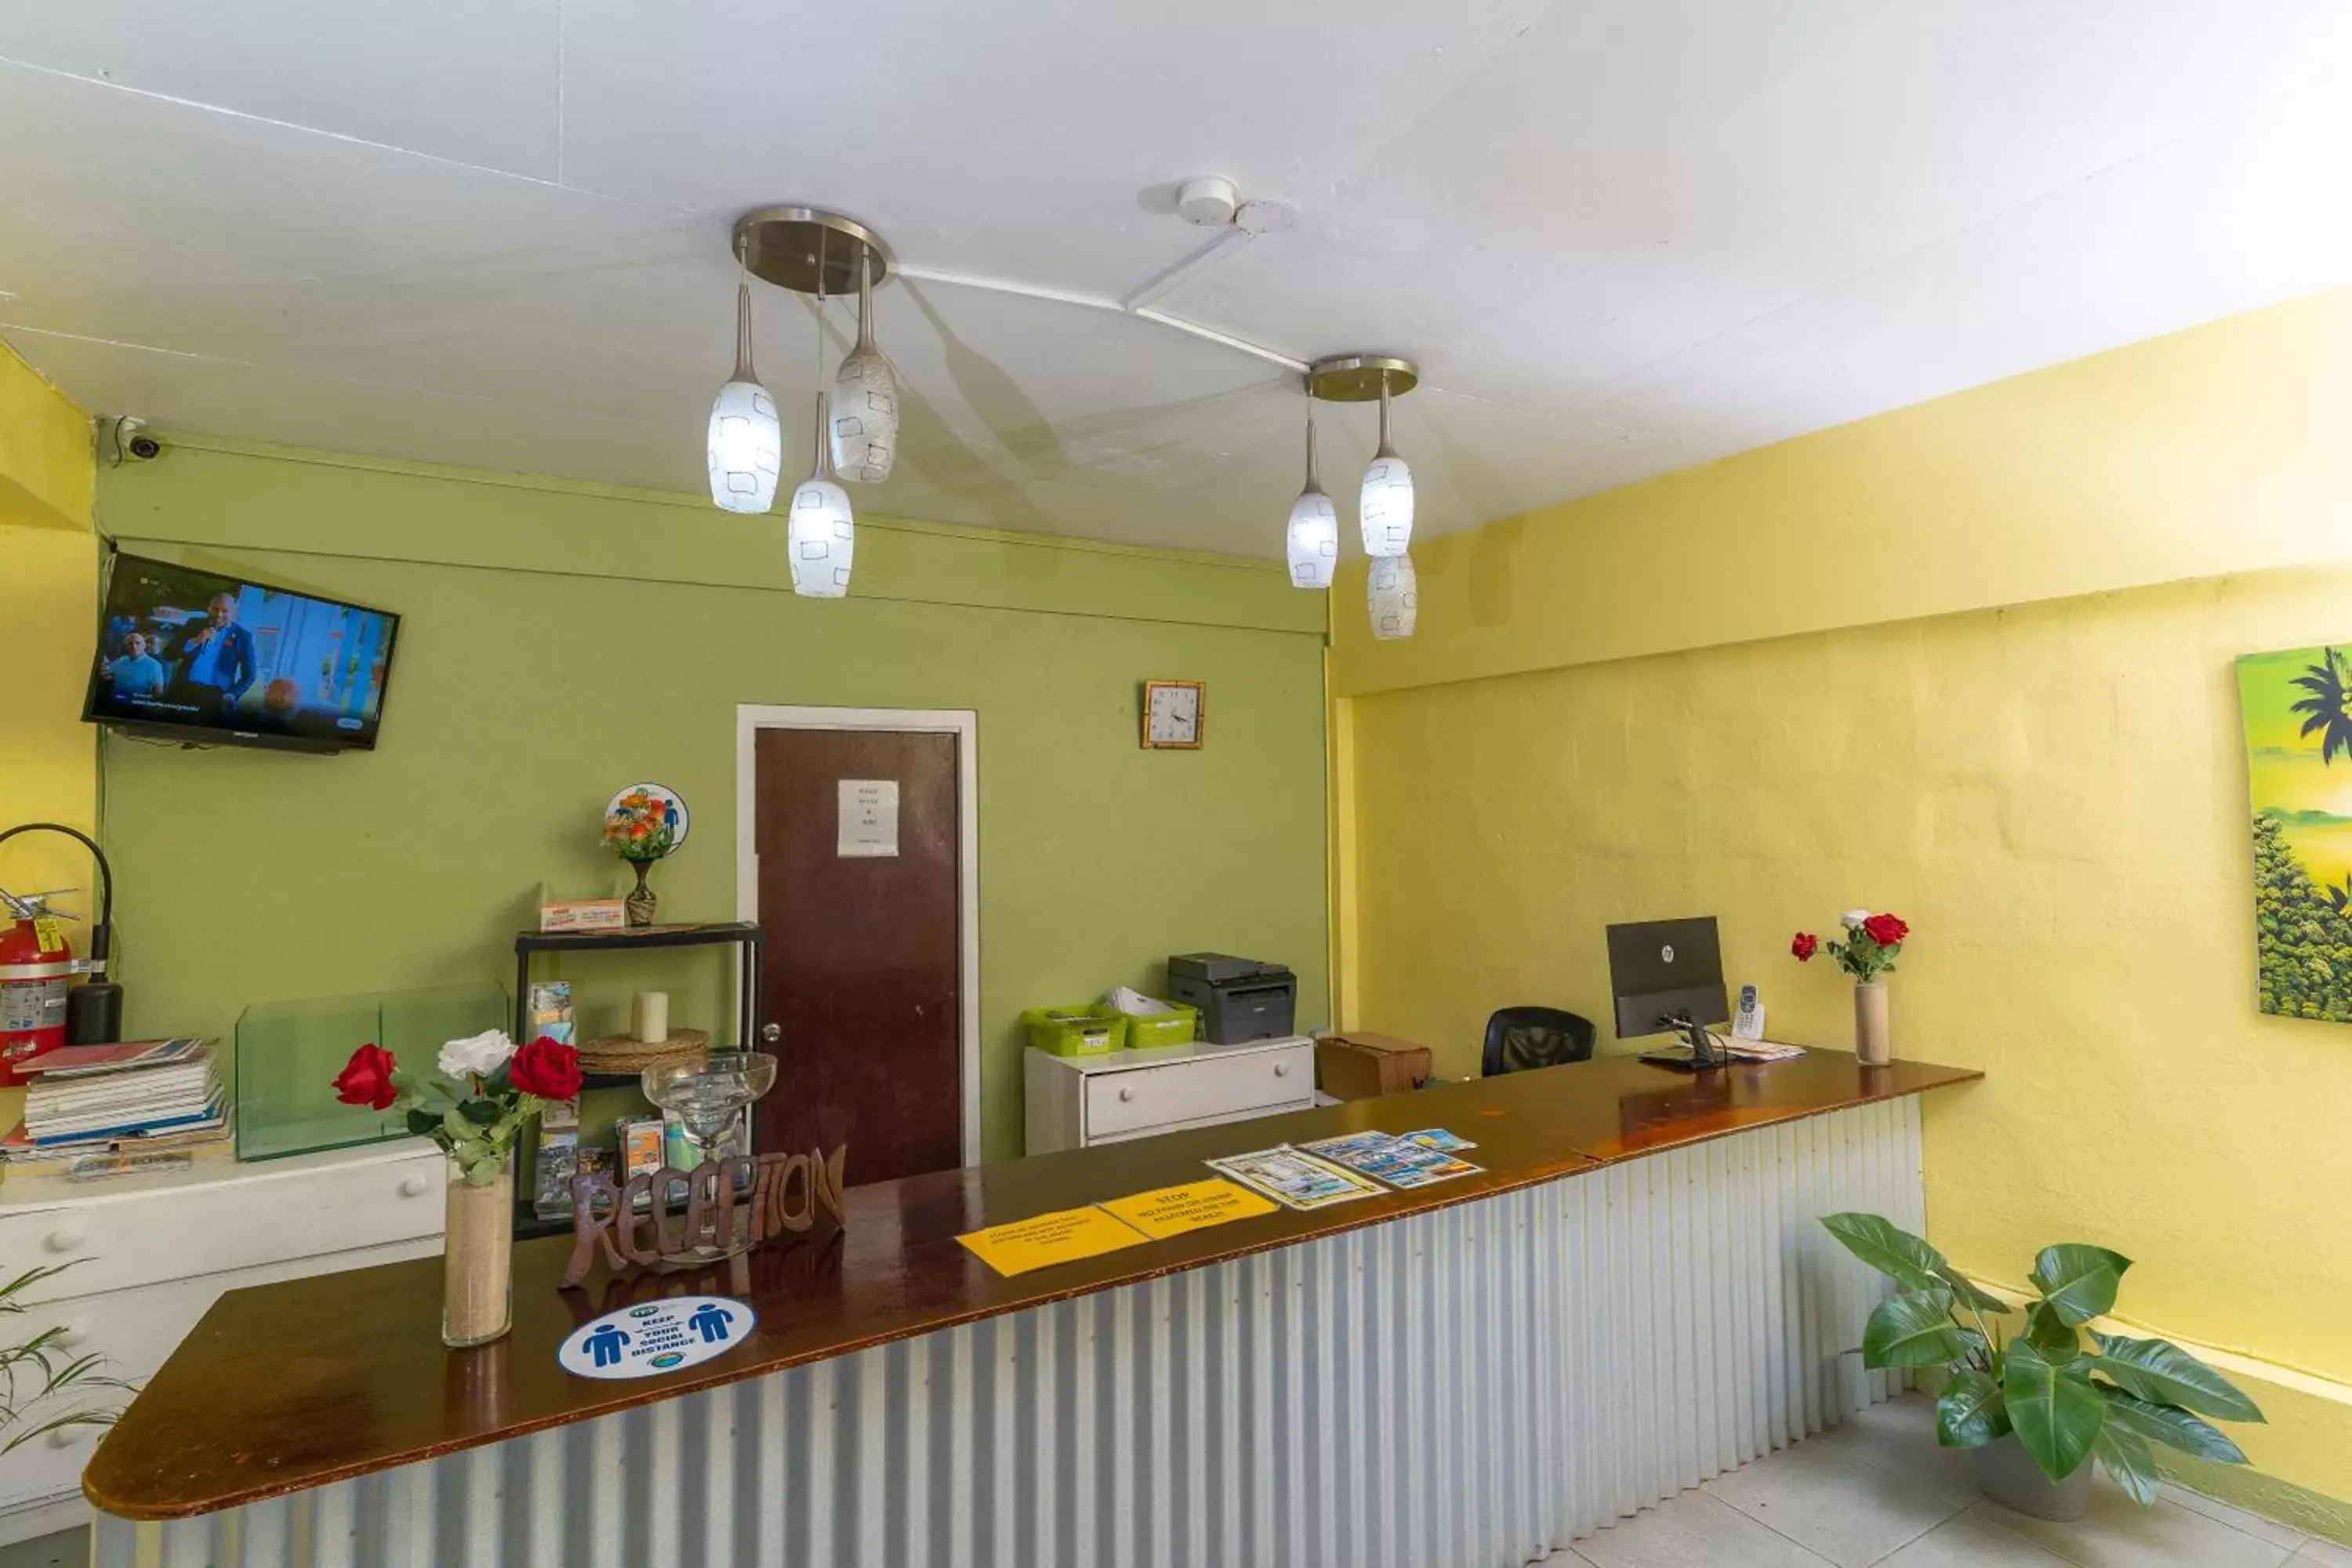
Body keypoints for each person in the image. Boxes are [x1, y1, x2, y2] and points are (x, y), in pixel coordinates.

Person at [174, 593, 256, 719]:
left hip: (215, 696)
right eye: (215, 609)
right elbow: (168, 654)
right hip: (182, 690)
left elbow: (250, 674)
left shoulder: (243, 636)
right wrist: (195, 641)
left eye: (225, 611)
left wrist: (231, 695)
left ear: (234, 613)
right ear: (209, 608)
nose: (219, 615)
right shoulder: (193, 625)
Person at [104, 630, 167, 700]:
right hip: (115, 701)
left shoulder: (154, 665)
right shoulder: (121, 660)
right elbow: (108, 674)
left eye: (138, 643)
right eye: (130, 643)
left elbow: (158, 694)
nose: (134, 646)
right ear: (126, 646)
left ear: (144, 646)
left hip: (137, 705)